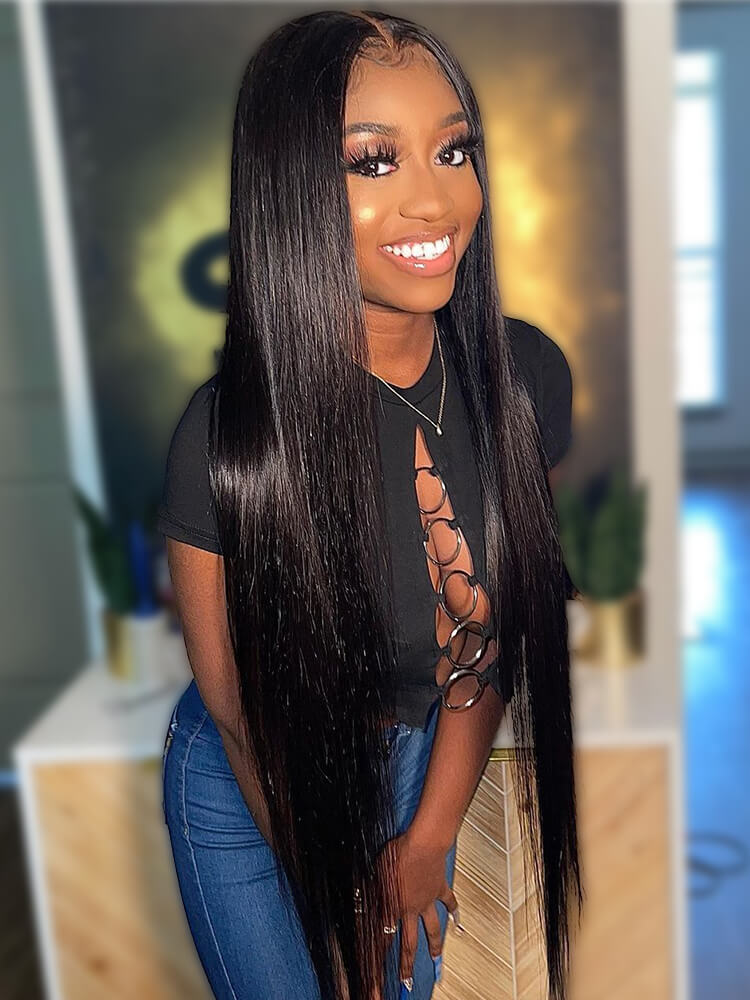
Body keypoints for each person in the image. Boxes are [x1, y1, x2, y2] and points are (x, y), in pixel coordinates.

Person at [158, 10, 582, 1000]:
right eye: (373, 162)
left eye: (453, 150)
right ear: (291, 188)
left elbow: (488, 636)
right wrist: (334, 890)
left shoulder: (524, 378)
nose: (436, 200)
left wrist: (427, 838)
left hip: (417, 762)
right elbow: (236, 707)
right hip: (253, 789)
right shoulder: (229, 434)